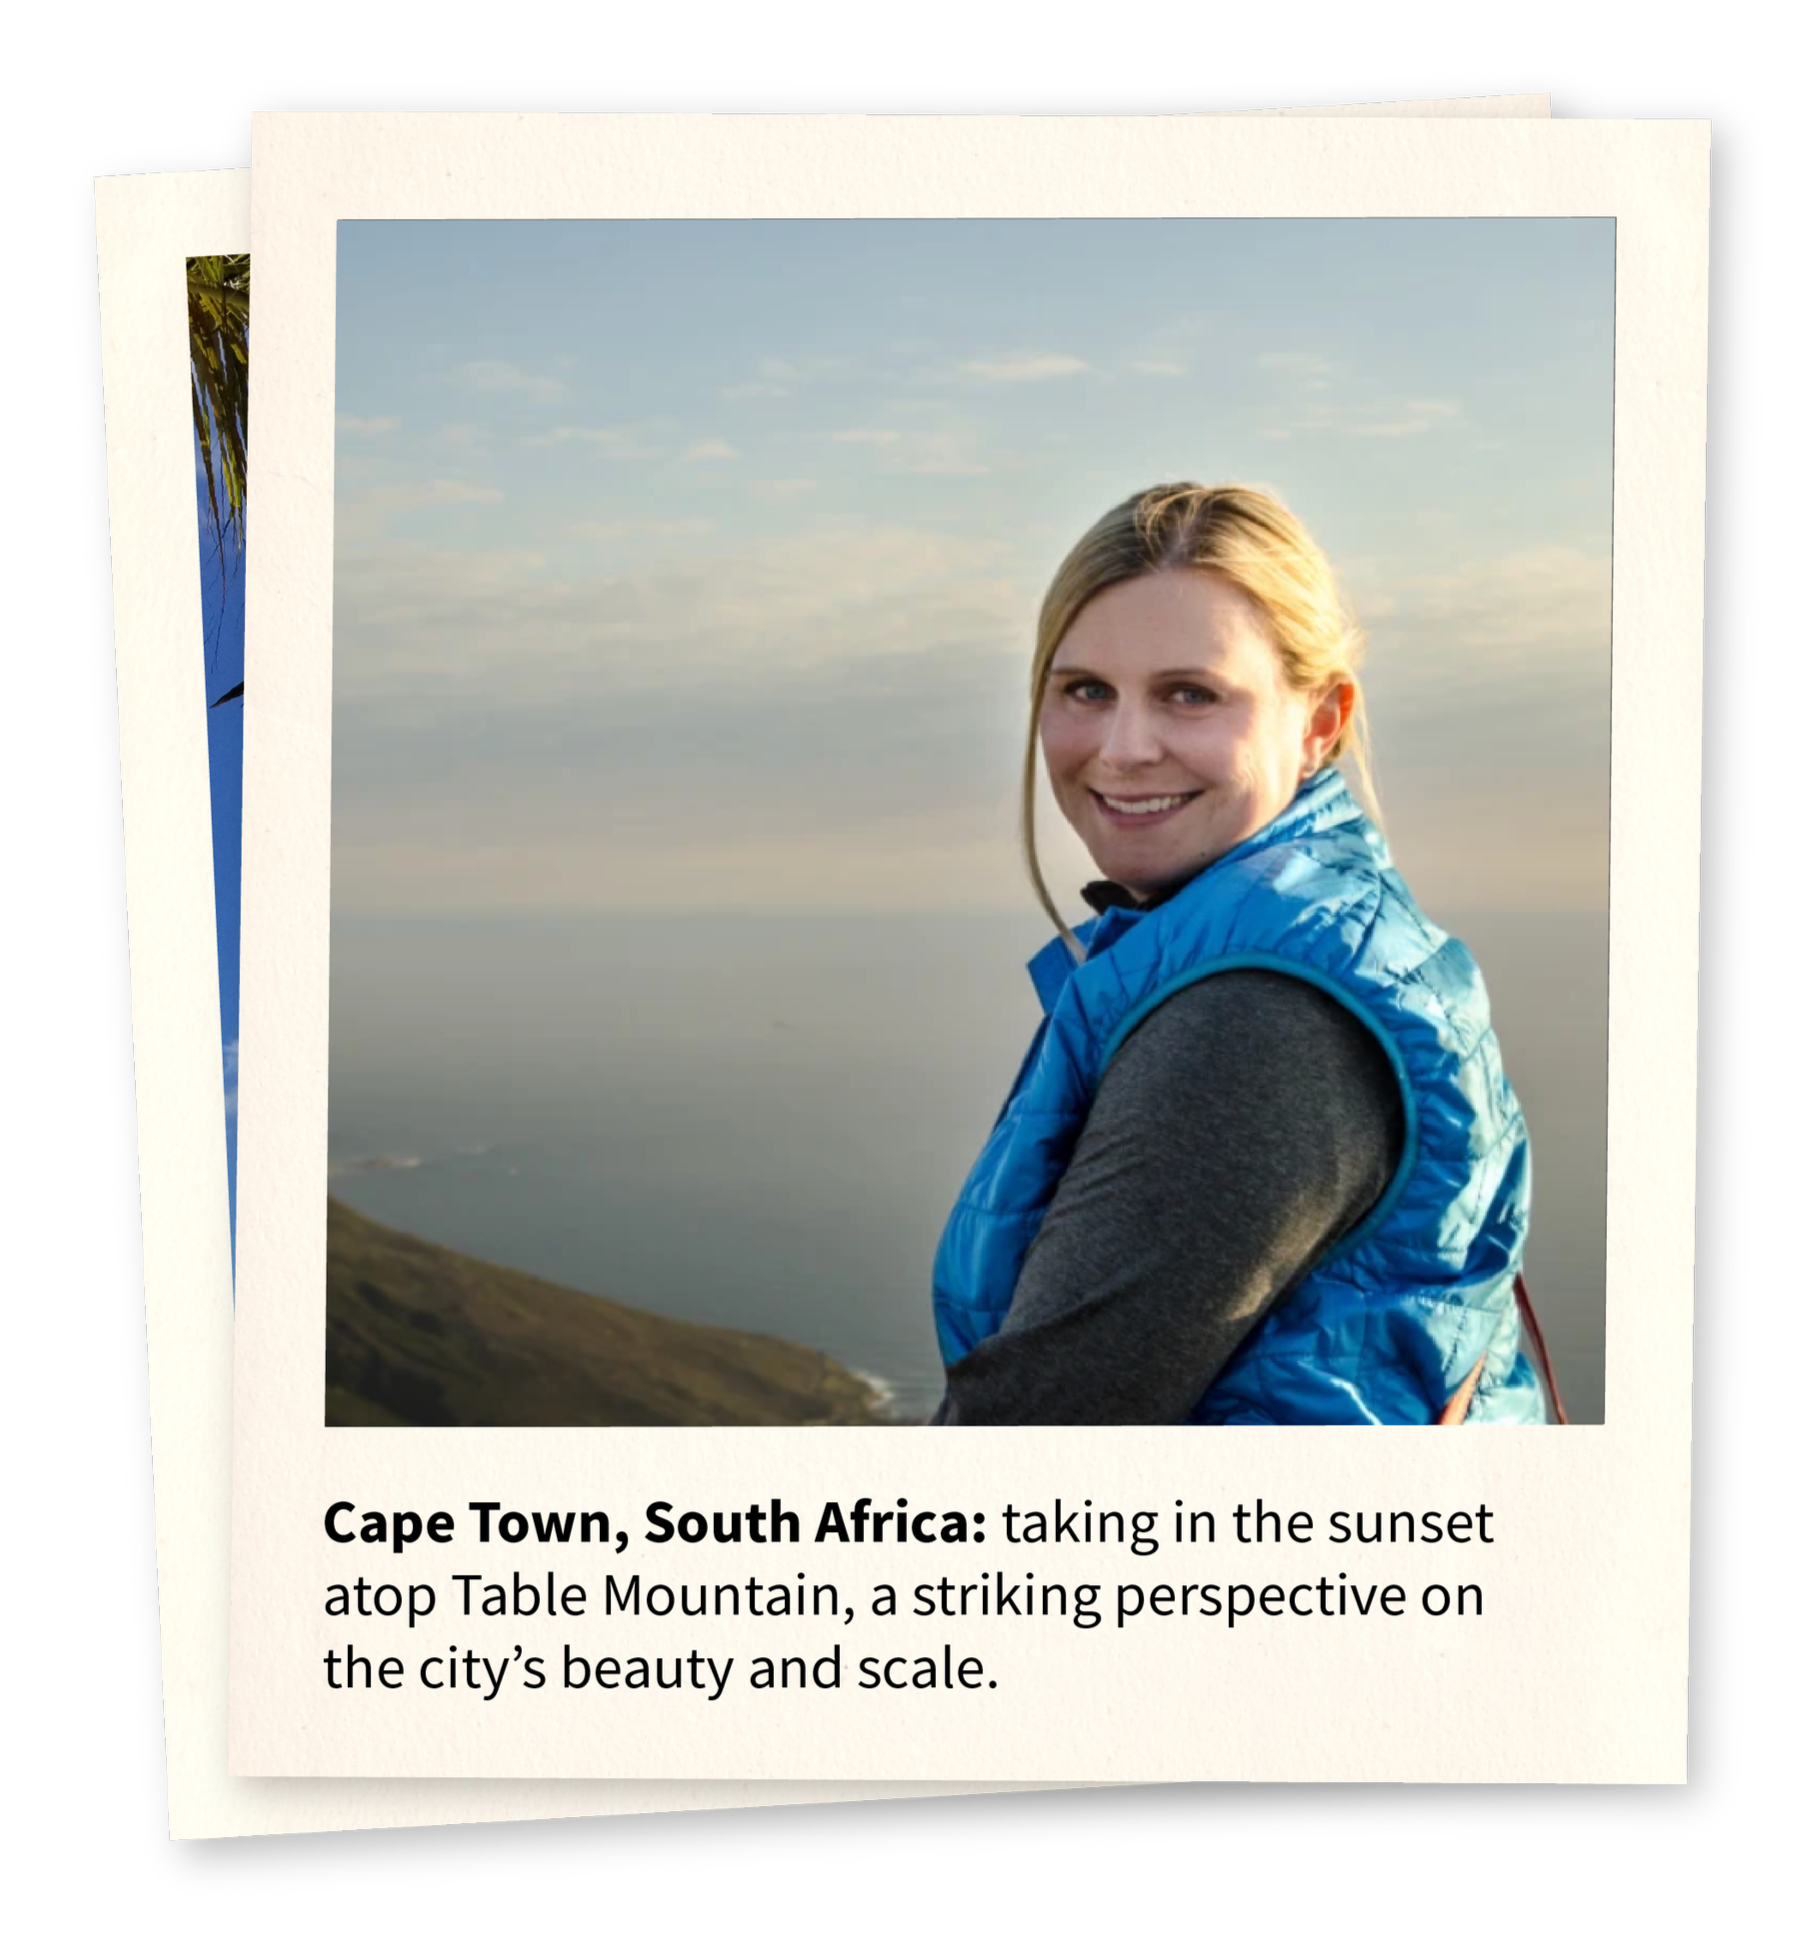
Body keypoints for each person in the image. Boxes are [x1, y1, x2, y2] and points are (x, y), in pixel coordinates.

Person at [928, 482, 1550, 1426]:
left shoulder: (1255, 1024)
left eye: (1189, 694)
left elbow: (1026, 1453)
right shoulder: (1297, 939)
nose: (1123, 748)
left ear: (1318, 724)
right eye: (1085, 690)